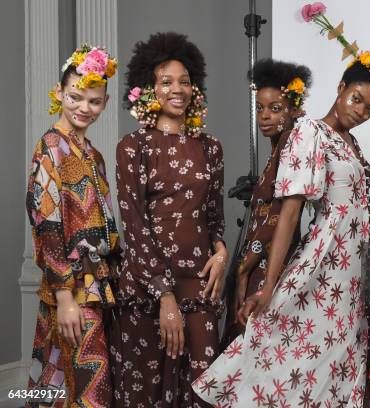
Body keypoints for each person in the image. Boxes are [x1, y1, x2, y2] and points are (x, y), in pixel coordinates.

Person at [193, 50, 370, 407]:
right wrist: (270, 285)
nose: (360, 111)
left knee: (338, 366)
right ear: (341, 87)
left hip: (356, 275)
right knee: (295, 357)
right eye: (356, 99)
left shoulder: (353, 144)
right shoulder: (310, 131)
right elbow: (289, 211)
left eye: (369, 108)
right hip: (326, 267)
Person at [111, 32, 226, 407]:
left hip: (199, 283)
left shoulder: (211, 148)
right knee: (147, 389)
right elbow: (135, 225)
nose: (177, 89)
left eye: (185, 81)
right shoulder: (134, 147)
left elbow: (214, 215)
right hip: (149, 288)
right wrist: (164, 296)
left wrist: (221, 252)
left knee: (204, 385)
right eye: (166, 81)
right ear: (149, 89)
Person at [26, 44, 119, 407]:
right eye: (76, 97)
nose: (84, 108)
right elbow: (46, 223)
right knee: (85, 382)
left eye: (94, 101)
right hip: (72, 286)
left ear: (106, 102)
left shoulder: (93, 154)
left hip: (98, 282)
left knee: (75, 379)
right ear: (59, 94)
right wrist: (64, 295)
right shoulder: (50, 147)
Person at [221, 59, 312, 349]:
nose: (264, 116)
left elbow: (278, 215)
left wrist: (244, 268)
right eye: (259, 108)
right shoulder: (280, 148)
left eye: (275, 108)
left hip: (270, 264)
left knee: (254, 348)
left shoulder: (289, 146)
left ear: (294, 109)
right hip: (268, 260)